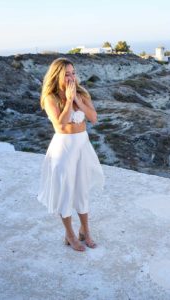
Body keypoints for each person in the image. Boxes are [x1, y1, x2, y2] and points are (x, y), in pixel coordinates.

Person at [37, 57, 104, 252]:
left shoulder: (82, 93)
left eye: (73, 73)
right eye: (67, 74)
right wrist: (67, 100)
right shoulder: (51, 97)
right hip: (63, 150)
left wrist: (76, 100)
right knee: (65, 193)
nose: (71, 77)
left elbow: (93, 119)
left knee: (82, 191)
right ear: (57, 75)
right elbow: (60, 124)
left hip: (82, 146)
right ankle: (70, 234)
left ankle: (86, 231)